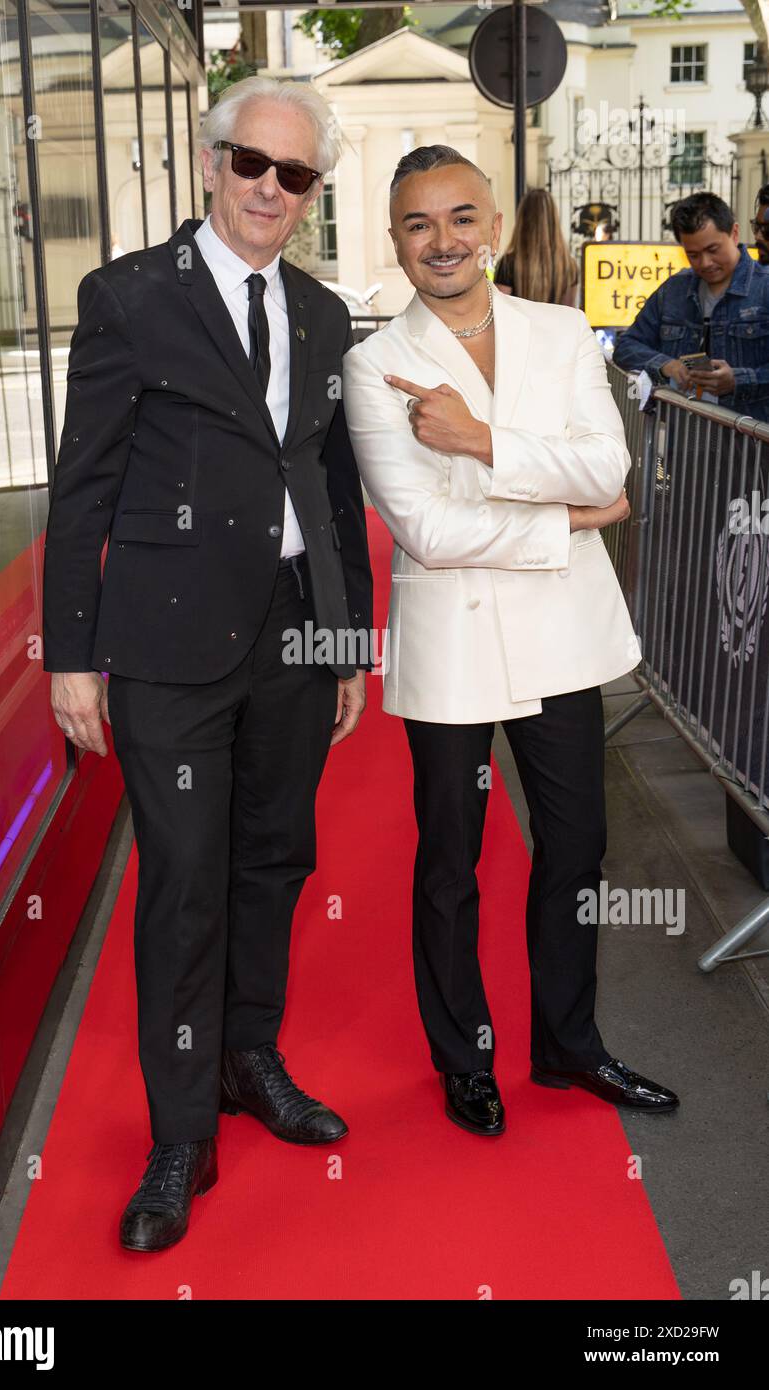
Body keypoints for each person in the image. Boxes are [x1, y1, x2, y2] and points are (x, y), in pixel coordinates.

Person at [42, 76, 372, 1251]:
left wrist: (345, 640)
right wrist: (71, 655)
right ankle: (179, 1132)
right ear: (208, 161)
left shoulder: (324, 316)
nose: (269, 191)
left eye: (295, 175)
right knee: (183, 885)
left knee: (273, 861)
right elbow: (82, 481)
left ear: (312, 193)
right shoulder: (129, 297)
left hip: (293, 632)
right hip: (169, 644)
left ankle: (248, 1059)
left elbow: (331, 488)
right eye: (251, 164)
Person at [341, 145, 679, 1138]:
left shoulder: (563, 330)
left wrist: (481, 443)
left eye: (457, 218)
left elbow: (604, 459)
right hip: (452, 642)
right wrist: (572, 519)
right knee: (451, 860)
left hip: (561, 639)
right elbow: (428, 532)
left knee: (575, 846)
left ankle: (569, 1041)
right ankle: (464, 1057)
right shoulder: (371, 366)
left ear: (489, 226)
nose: (440, 241)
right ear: (395, 240)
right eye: (416, 224)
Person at [612, 191, 769, 421]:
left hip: (749, 448)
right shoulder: (673, 291)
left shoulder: (764, 288)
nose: (705, 263)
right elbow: (626, 346)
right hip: (686, 443)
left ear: (734, 233)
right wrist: (666, 365)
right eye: (693, 255)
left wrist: (738, 380)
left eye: (713, 250)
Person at [493, 187, 579, 307]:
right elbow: (569, 313)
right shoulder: (569, 266)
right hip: (553, 326)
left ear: (522, 220)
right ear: (554, 220)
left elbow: (500, 310)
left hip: (518, 326)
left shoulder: (508, 264)